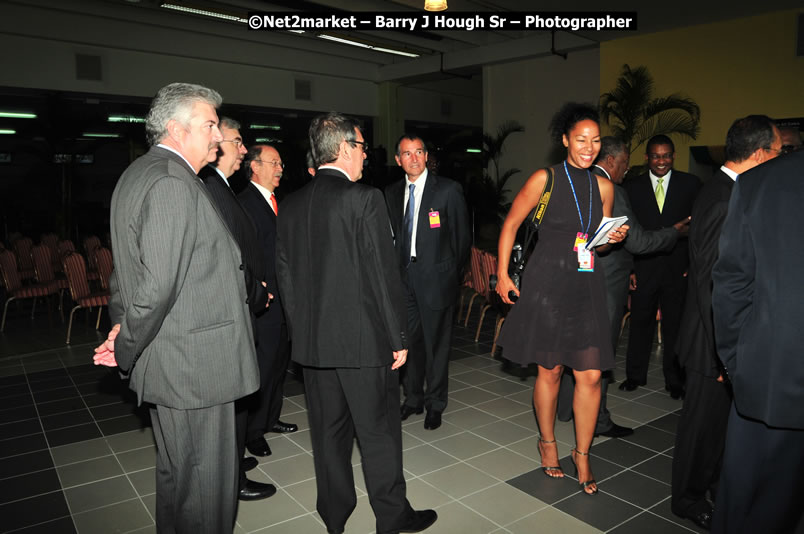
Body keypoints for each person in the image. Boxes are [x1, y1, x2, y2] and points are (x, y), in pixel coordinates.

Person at [92, 82, 258, 533]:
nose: (219, 137)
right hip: (194, 370)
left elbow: (128, 273)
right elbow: (157, 287)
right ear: (175, 128)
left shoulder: (143, 173)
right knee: (206, 493)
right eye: (209, 125)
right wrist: (126, 343)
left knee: (181, 482)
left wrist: (121, 327)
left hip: (178, 362)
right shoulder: (171, 182)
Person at [275, 112, 437, 534]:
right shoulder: (363, 198)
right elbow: (384, 277)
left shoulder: (290, 205)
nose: (367, 155)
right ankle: (391, 516)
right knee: (379, 433)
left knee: (328, 436)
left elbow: (286, 280)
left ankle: (334, 514)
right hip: (365, 345)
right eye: (363, 146)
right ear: (345, 148)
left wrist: (301, 336)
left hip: (314, 347)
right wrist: (398, 336)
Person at [495, 103, 629, 495]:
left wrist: (611, 239)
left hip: (586, 288)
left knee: (590, 374)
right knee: (550, 370)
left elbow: (596, 246)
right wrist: (502, 275)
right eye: (581, 140)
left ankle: (583, 453)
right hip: (547, 286)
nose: (589, 147)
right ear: (566, 140)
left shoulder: (605, 187)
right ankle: (548, 443)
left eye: (596, 141)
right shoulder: (545, 178)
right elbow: (511, 224)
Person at [705, 121, 799, 534]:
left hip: (773, 373)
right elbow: (723, 278)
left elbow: (730, 283)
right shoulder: (727, 189)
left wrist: (737, 358)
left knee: (754, 503)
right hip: (769, 374)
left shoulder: (761, 185)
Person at [557, 136, 685, 439]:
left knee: (574, 348)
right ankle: (597, 420)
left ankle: (565, 409)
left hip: (574, 280)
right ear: (612, 160)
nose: (627, 169)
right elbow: (638, 242)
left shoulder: (575, 184)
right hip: (604, 287)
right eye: (626, 163)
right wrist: (673, 233)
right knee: (599, 356)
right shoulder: (613, 190)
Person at [198, 118, 277, 501]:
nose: (243, 150)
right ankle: (231, 481)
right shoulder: (211, 187)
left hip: (244, 302)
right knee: (232, 401)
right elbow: (230, 258)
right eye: (238, 141)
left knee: (241, 397)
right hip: (235, 307)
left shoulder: (224, 187)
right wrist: (258, 292)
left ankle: (232, 463)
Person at [384, 134, 471, 430]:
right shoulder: (391, 193)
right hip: (403, 281)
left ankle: (436, 403)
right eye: (407, 154)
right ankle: (413, 399)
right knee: (408, 343)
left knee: (437, 347)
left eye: (419, 151)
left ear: (426, 155)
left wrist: (450, 275)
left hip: (437, 280)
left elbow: (462, 241)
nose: (413, 158)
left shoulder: (447, 190)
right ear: (398, 160)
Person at [619, 135, 701, 398]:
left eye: (666, 155)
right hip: (643, 268)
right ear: (647, 158)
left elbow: (700, 229)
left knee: (674, 325)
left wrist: (693, 263)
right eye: (656, 156)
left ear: (674, 156)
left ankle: (674, 380)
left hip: (678, 268)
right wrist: (630, 268)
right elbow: (626, 232)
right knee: (640, 322)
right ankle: (634, 375)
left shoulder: (691, 184)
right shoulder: (631, 188)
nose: (661, 161)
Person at [238, 144, 298, 460]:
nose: (280, 168)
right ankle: (252, 431)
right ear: (255, 166)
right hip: (265, 300)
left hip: (284, 300)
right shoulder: (245, 204)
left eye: (281, 162)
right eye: (274, 162)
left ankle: (271, 417)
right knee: (262, 367)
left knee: (278, 364)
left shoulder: (279, 203)